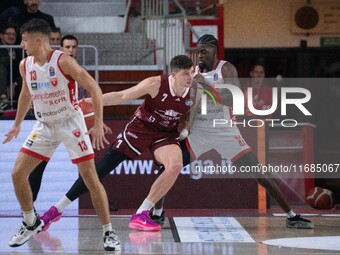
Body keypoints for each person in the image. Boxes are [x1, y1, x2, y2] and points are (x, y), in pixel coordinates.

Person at [149, 34, 313, 229]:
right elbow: (185, 101)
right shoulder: (192, 73)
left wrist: (206, 85)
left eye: (204, 51)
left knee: (261, 174)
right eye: (198, 51)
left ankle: (292, 215)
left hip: (225, 131)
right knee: (169, 168)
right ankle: (157, 213)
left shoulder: (225, 68)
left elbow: (235, 99)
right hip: (198, 132)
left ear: (214, 51)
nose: (200, 54)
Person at [37, 54, 195, 232]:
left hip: (165, 134)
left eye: (190, 73)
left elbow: (195, 111)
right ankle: (56, 209)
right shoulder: (155, 83)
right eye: (185, 74)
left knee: (175, 165)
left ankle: (142, 213)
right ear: (173, 74)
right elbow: (122, 96)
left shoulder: (196, 89)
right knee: (100, 171)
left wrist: (187, 128)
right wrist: (91, 100)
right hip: (141, 128)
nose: (189, 77)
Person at [2, 19, 119, 250]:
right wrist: (17, 124)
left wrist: (97, 122)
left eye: (24, 40)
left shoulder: (64, 62)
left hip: (70, 123)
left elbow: (95, 88)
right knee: (17, 174)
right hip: (44, 125)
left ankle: (109, 232)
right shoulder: (25, 65)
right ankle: (30, 221)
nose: (22, 45)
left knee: (90, 179)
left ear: (37, 40)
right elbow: (26, 94)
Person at [29, 34, 117, 211]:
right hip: (51, 121)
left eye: (73, 47)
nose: (70, 50)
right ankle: (30, 208)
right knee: (38, 165)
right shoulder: (47, 68)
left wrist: (97, 120)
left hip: (74, 122)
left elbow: (89, 100)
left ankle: (101, 201)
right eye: (67, 47)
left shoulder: (79, 71)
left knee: (87, 167)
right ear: (60, 48)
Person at [0, 22, 22, 109]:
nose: (11, 36)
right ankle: (3, 98)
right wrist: (5, 89)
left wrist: (14, 84)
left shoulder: (19, 51)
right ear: (1, 36)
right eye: (8, 34)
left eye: (14, 34)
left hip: (13, 84)